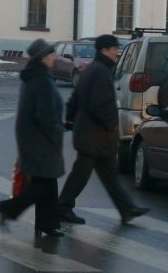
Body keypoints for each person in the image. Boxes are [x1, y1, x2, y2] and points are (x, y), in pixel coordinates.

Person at [59, 34, 150, 225]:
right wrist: (111, 126)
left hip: (92, 134)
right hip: (95, 136)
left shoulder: (93, 69)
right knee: (82, 173)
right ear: (105, 50)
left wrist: (70, 119)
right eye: (114, 48)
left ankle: (126, 209)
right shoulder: (100, 72)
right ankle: (63, 207)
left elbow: (74, 99)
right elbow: (99, 104)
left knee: (109, 174)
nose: (117, 52)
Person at [0, 38, 65, 245]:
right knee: (43, 185)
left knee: (48, 183)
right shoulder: (42, 80)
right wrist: (56, 133)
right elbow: (45, 115)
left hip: (32, 138)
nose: (54, 57)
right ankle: (7, 209)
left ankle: (48, 224)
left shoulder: (34, 77)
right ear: (43, 58)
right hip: (40, 140)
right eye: (51, 54)